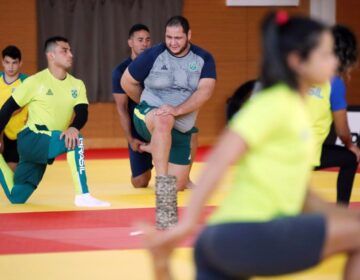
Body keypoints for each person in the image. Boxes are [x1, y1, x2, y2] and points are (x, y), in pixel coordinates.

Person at [140, 12, 360, 280]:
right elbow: (220, 158)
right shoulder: (275, 102)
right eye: (325, 54)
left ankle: (161, 263)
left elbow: (300, 196)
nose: (334, 61)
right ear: (296, 61)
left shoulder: (297, 108)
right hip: (248, 231)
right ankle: (164, 234)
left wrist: (344, 217)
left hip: (223, 241)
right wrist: (185, 223)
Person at [0, 36, 110, 207]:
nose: (70, 54)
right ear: (51, 55)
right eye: (64, 51)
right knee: (76, 140)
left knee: (17, 196)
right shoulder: (35, 82)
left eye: (70, 50)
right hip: (31, 138)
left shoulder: (77, 84)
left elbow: (82, 112)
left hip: (45, 143)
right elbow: (7, 109)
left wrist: (73, 126)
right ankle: (83, 194)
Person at [121, 16, 216, 191]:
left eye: (178, 38)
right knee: (164, 118)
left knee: (178, 186)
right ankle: (163, 185)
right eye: (168, 37)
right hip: (149, 115)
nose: (172, 43)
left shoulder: (203, 58)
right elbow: (126, 81)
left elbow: (205, 91)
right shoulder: (153, 54)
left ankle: (154, 148)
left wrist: (177, 109)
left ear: (189, 35)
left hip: (180, 124)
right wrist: (148, 103)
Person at [308, 24, 360, 206]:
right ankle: (342, 211)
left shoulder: (297, 70)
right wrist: (350, 145)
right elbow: (342, 129)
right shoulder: (334, 83)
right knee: (351, 158)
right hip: (304, 154)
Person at [112, 24, 153, 188]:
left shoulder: (157, 66)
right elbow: (121, 109)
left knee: (177, 181)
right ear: (131, 43)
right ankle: (148, 163)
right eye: (140, 40)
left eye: (148, 40)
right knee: (140, 182)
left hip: (160, 123)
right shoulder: (120, 71)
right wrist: (130, 139)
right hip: (138, 128)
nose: (145, 44)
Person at [0, 45, 28, 171]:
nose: (10, 67)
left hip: (16, 136)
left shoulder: (27, 83)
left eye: (14, 63)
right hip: (1, 132)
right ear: (2, 62)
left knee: (11, 172)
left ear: (20, 63)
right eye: (7, 62)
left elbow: (18, 108)